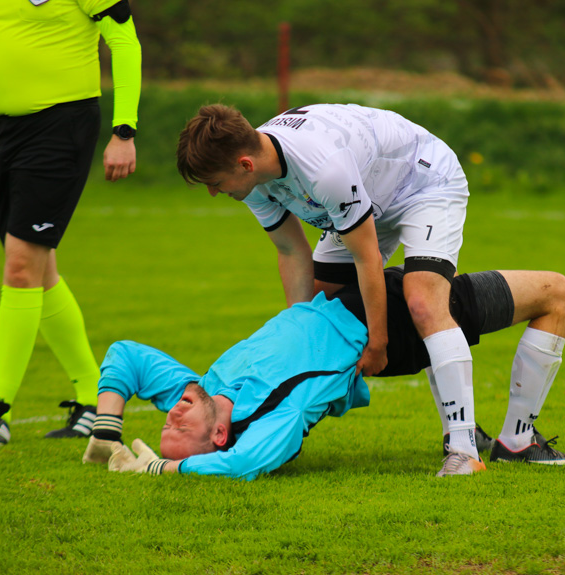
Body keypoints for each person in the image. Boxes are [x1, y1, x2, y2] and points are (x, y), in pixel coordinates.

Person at [176, 103, 485, 475]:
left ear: (244, 165)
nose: (213, 192)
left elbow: (367, 258)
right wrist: (294, 340)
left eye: (215, 182)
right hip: (367, 193)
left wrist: (378, 343)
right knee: (323, 307)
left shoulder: (323, 170)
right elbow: (291, 250)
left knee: (422, 300)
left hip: (422, 181)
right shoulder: (254, 176)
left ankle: (465, 448)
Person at [81, 266, 565, 480]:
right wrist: (161, 467)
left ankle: (470, 433)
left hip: (351, 294)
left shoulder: (200, 390)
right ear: (218, 434)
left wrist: (108, 431)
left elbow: (125, 355)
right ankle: (517, 441)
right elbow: (243, 464)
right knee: (556, 292)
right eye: (179, 429)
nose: (171, 415)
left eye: (166, 423)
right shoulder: (280, 414)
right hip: (386, 319)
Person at [0, 0, 142, 446]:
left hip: (60, 126)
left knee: (19, 268)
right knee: (37, 269)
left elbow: (124, 40)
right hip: (0, 131)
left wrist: (124, 129)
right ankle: (94, 401)